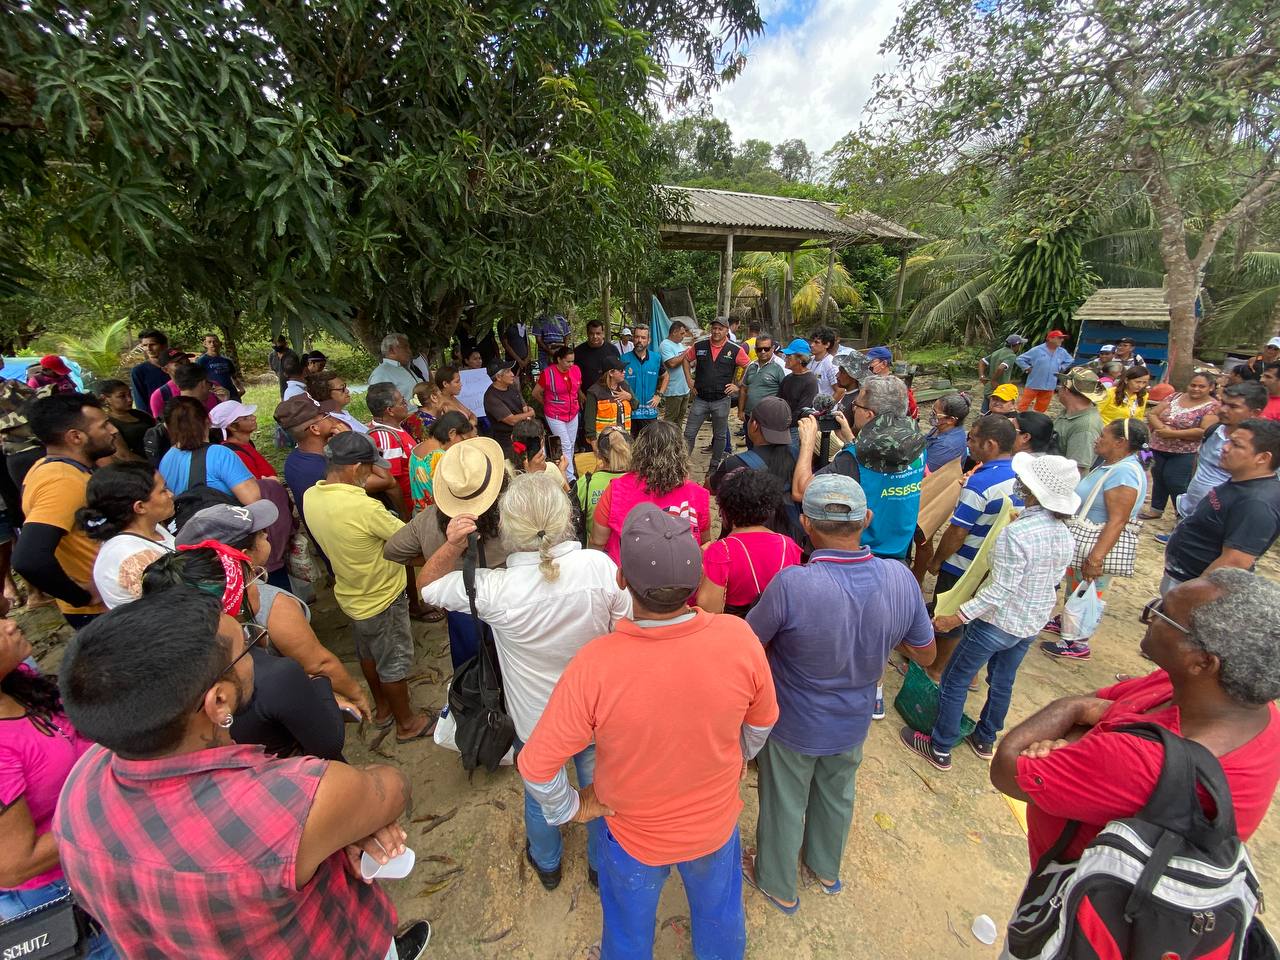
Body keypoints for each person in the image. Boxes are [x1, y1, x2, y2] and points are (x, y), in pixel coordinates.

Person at [52, 588, 431, 960]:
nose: (256, 648)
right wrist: (348, 814)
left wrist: (337, 822)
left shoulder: (76, 793)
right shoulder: (294, 799)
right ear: (218, 700)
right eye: (247, 647)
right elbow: (393, 788)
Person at [519, 502, 778, 959]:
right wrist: (736, 755)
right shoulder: (739, 638)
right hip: (715, 827)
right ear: (697, 581)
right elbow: (763, 719)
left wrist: (573, 808)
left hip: (631, 835)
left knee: (626, 936)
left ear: (622, 579)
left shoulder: (595, 665)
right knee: (721, 924)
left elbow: (536, 766)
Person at [991, 570, 1280, 874]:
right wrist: (1085, 734)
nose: (1152, 616)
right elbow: (1104, 702)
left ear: (1202, 662)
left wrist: (1071, 707)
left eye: (1164, 614)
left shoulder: (1144, 760)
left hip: (1081, 902)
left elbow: (1007, 768)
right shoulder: (1224, 701)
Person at [418, 472, 629, 889]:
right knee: (601, 790)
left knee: (539, 794)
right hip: (596, 715)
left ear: (507, 527)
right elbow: (626, 632)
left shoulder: (495, 589)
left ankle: (547, 863)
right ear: (566, 517)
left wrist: (453, 543)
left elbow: (426, 589)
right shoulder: (599, 568)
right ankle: (600, 867)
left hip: (535, 721)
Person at [745, 475, 934, 911]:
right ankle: (825, 868)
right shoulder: (900, 579)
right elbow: (925, 654)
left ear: (806, 524)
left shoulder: (793, 584)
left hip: (793, 722)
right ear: (866, 519)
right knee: (837, 794)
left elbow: (749, 643)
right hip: (854, 720)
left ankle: (776, 881)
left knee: (784, 801)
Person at [903, 454, 1077, 770]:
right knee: (1002, 680)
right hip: (1029, 621)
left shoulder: (1017, 534)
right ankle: (985, 737)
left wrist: (956, 617)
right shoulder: (1063, 533)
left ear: (1033, 490)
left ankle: (940, 745)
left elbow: (1000, 590)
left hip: (996, 621)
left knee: (955, 679)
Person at [141, 547, 348, 762]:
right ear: (235, 604)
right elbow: (329, 744)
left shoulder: (165, 673)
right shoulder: (273, 674)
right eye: (253, 580)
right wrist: (319, 683)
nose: (258, 588)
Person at [174, 502, 370, 719]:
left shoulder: (183, 600)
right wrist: (356, 693)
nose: (267, 535)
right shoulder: (273, 604)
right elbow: (319, 664)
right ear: (244, 554)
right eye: (260, 534)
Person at [0, 618, 119, 959]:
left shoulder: (17, 681)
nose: (10, 625)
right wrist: (112, 801)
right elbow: (15, 863)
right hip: (64, 895)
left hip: (98, 861)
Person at [304, 432, 434, 742]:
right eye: (368, 468)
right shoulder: (365, 509)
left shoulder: (312, 496)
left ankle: (384, 710)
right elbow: (406, 539)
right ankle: (407, 724)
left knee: (369, 654)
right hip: (383, 596)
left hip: (351, 595)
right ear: (353, 468)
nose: (371, 474)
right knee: (394, 662)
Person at [1042, 418, 1149, 659]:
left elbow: (1118, 520)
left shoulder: (1124, 473)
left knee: (1088, 589)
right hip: (1087, 540)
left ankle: (1077, 641)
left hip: (1096, 543)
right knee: (1077, 584)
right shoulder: (1113, 465)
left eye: (1103, 436)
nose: (1097, 439)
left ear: (1120, 442)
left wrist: (1096, 558)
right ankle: (1068, 622)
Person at [926, 414, 1021, 678]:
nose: (969, 444)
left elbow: (957, 532)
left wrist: (937, 560)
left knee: (948, 615)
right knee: (975, 616)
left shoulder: (980, 483)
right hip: (994, 566)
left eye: (973, 439)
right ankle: (969, 674)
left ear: (990, 444)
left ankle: (936, 669)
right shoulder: (1021, 476)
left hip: (963, 565)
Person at [795, 376, 927, 562]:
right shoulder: (916, 446)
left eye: (856, 405)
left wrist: (808, 442)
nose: (854, 408)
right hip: (900, 550)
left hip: (865, 554)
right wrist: (852, 439)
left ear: (869, 415)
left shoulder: (853, 459)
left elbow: (801, 491)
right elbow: (881, 469)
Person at [14, 393, 118, 627]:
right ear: (76, 437)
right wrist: (82, 597)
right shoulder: (62, 481)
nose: (113, 430)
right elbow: (28, 558)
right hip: (100, 612)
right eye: (104, 425)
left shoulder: (49, 467)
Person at [1161, 418, 1280, 595]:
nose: (1224, 447)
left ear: (1262, 458)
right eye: (1228, 440)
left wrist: (1185, 598)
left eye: (1236, 445)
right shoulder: (1240, 481)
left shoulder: (1257, 503)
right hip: (1183, 579)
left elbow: (1234, 562)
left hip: (1197, 593)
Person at [589, 419, 710, 562]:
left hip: (626, 576)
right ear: (681, 453)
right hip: (681, 577)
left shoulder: (616, 489)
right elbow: (705, 543)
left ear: (639, 450)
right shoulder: (698, 494)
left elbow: (597, 542)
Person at [697, 468, 801, 616]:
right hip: (777, 632)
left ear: (724, 511)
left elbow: (708, 608)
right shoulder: (788, 545)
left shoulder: (721, 551)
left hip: (737, 630)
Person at [79, 462, 175, 608]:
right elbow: (176, 606)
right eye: (163, 491)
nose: (171, 494)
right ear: (140, 507)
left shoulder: (150, 529)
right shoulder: (135, 559)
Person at [1176, 381, 1271, 524]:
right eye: (1223, 403)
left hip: (1221, 521)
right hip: (1190, 512)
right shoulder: (1212, 431)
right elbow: (1199, 463)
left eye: (1233, 406)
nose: (1223, 410)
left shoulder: (1261, 448)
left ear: (1255, 413)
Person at [709, 397, 800, 536]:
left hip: (742, 538)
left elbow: (711, 488)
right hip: (785, 536)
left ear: (754, 425)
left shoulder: (735, 463)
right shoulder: (798, 456)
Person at [1142, 371, 1220, 519]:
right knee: (1158, 476)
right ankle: (1156, 509)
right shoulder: (1174, 396)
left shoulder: (1212, 407)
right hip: (1158, 445)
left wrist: (1173, 434)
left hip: (1185, 451)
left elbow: (1204, 431)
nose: (1196, 389)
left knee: (1176, 481)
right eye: (1193, 385)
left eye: (1201, 386)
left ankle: (1182, 515)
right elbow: (1152, 414)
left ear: (1211, 388)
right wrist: (1162, 429)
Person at [158, 397, 260, 503]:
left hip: (183, 518)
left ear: (168, 427)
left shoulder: (166, 459)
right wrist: (266, 484)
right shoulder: (220, 454)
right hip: (222, 518)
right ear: (208, 420)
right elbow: (253, 499)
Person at [684, 317, 748, 477]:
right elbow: (686, 359)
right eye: (714, 328)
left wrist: (738, 385)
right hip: (700, 399)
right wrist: (689, 380)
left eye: (720, 329)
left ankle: (714, 466)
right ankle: (681, 464)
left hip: (721, 400)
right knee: (689, 434)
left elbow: (749, 365)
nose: (716, 331)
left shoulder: (734, 349)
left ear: (727, 330)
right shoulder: (699, 346)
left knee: (720, 435)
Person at [278, 395, 340, 529]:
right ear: (314, 429)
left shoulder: (293, 459)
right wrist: (349, 442)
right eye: (326, 415)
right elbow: (385, 481)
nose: (334, 418)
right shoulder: (323, 471)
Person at [408, 410, 474, 515]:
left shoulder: (417, 449)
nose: (462, 445)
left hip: (419, 514)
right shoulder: (441, 457)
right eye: (463, 439)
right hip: (437, 515)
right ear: (452, 433)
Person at [575, 426, 631, 544]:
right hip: (630, 553)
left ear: (599, 454)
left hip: (596, 554)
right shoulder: (640, 481)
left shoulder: (586, 483)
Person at [534, 345, 582, 482]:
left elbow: (577, 388)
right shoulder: (548, 373)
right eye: (568, 361)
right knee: (565, 444)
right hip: (555, 414)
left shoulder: (576, 370)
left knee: (571, 444)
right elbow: (535, 393)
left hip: (572, 413)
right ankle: (569, 477)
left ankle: (567, 470)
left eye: (573, 361)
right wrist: (547, 404)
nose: (571, 364)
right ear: (559, 359)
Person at [366, 383, 415, 512]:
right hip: (408, 508)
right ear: (390, 411)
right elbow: (391, 484)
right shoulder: (386, 439)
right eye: (402, 402)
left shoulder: (395, 427)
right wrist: (404, 517)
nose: (407, 405)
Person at [1053, 367, 1108, 473]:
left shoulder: (1085, 426)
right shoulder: (1069, 412)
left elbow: (1077, 470)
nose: (1058, 389)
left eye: (1060, 386)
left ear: (1066, 390)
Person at [622, 323, 666, 437]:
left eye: (643, 337)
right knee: (630, 447)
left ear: (649, 340)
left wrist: (659, 395)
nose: (639, 340)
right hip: (630, 413)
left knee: (650, 447)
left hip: (649, 414)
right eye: (636, 337)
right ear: (633, 338)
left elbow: (666, 376)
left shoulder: (656, 358)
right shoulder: (624, 359)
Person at [94, 377, 155, 460]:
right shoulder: (109, 423)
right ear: (105, 399)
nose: (129, 400)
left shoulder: (140, 414)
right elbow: (124, 455)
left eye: (130, 394)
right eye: (122, 396)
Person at [484, 358, 536, 455]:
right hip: (507, 440)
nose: (512, 374)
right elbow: (511, 420)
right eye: (508, 371)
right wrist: (530, 413)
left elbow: (524, 406)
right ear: (499, 377)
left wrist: (527, 412)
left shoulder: (512, 386)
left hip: (523, 432)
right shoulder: (491, 397)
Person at [1015, 330, 1074, 412]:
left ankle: (1037, 420)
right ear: (1050, 339)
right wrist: (1027, 367)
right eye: (1059, 338)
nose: (1062, 340)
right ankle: (1018, 418)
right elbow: (1020, 359)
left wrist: (1062, 367)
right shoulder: (1037, 350)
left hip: (1050, 385)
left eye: (1062, 338)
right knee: (1023, 405)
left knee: (1042, 407)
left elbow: (1070, 360)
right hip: (1034, 383)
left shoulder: (1062, 351)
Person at [212, 400, 274, 477]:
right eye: (245, 418)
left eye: (250, 414)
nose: (254, 417)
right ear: (232, 427)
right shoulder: (236, 455)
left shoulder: (246, 443)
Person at [738, 333, 784, 434]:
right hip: (749, 416)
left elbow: (785, 392)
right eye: (759, 349)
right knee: (750, 444)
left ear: (772, 349)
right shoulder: (751, 366)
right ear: (755, 350)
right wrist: (741, 411)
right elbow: (743, 389)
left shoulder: (779, 366)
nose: (763, 352)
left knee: (766, 446)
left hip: (768, 417)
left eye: (766, 349)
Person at [584, 357, 634, 451]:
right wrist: (593, 442)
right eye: (621, 370)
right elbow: (589, 419)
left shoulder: (625, 385)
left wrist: (629, 397)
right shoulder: (594, 392)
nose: (624, 372)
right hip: (604, 441)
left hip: (624, 438)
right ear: (611, 373)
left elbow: (636, 405)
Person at [368, 333, 422, 411]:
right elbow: (380, 407)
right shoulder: (381, 373)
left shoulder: (407, 368)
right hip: (406, 420)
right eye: (405, 347)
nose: (409, 351)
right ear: (391, 350)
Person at [573, 319, 622, 400]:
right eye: (591, 333)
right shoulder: (578, 352)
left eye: (598, 333)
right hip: (586, 397)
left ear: (603, 334)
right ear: (587, 334)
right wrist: (579, 393)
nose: (595, 336)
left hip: (609, 397)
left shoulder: (612, 350)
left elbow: (619, 373)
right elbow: (572, 375)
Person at [658, 319, 694, 425]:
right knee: (670, 420)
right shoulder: (665, 345)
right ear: (674, 332)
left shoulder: (680, 345)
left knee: (680, 419)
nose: (683, 336)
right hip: (674, 390)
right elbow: (672, 363)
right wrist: (687, 353)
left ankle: (677, 440)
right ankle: (666, 440)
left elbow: (687, 363)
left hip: (684, 389)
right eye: (681, 333)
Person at [924, 393, 971, 472]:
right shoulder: (941, 427)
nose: (931, 414)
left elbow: (924, 471)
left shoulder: (946, 445)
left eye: (935, 413)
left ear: (951, 420)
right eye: (932, 410)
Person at [978, 335, 1026, 412]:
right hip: (1000, 390)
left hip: (988, 388)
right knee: (997, 412)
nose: (1020, 347)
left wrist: (981, 376)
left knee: (985, 411)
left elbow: (982, 361)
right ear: (1016, 345)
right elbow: (1001, 367)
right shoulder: (1011, 355)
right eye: (1020, 344)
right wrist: (994, 380)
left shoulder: (998, 352)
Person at [777, 338, 819, 427]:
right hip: (783, 424)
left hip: (797, 427)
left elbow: (802, 410)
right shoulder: (788, 378)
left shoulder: (810, 381)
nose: (785, 359)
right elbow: (779, 401)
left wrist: (784, 424)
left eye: (789, 356)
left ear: (800, 359)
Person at [130, 329, 172, 410]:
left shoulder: (176, 366)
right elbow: (140, 401)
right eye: (145, 345)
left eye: (153, 344)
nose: (148, 348)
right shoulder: (138, 371)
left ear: (164, 345)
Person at [196, 333, 243, 400]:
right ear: (205, 344)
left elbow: (234, 377)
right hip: (215, 396)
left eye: (215, 341)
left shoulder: (227, 361)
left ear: (220, 344)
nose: (212, 344)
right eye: (209, 342)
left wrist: (241, 389)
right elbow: (198, 380)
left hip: (232, 394)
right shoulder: (201, 361)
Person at [808, 326, 839, 394]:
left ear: (827, 345)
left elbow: (840, 391)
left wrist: (827, 405)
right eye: (812, 341)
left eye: (816, 342)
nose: (812, 345)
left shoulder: (831, 364)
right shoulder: (810, 360)